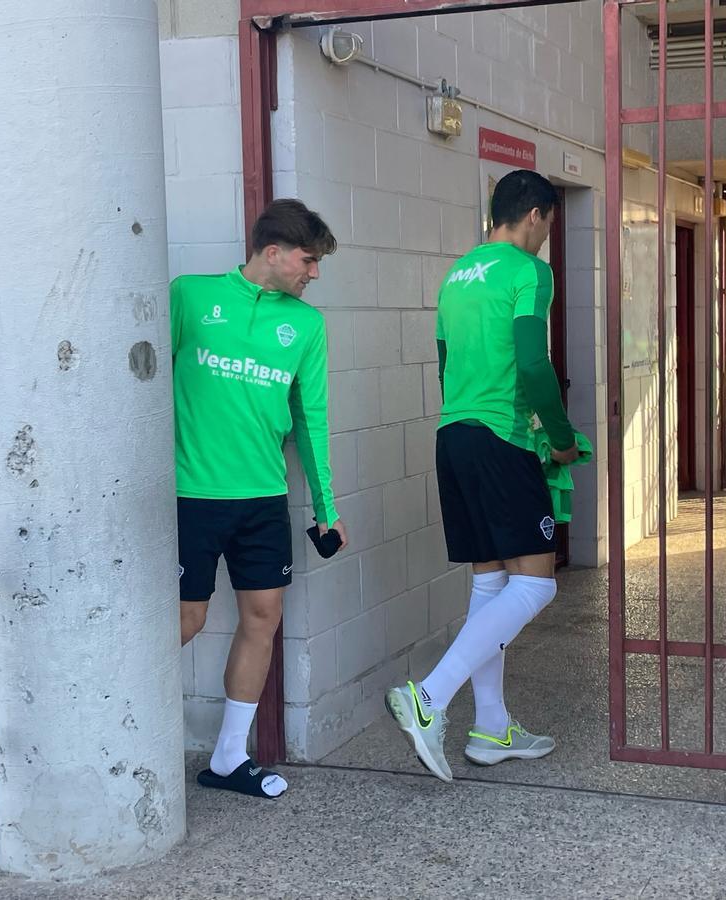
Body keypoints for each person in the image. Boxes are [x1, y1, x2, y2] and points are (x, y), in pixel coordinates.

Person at [384, 170, 578, 783]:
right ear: (538, 215)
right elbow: (532, 363)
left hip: (454, 434)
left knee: (491, 583)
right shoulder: (528, 271)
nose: (547, 236)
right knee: (537, 584)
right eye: (549, 223)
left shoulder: (456, 275)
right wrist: (563, 439)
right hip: (501, 436)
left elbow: (446, 367)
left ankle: (491, 727)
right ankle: (430, 697)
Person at [173, 199, 346, 799]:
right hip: (190, 495)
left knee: (263, 616)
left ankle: (227, 758)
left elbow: (312, 420)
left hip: (265, 498)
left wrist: (328, 508)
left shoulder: (306, 326)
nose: (313, 273)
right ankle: (100, 723)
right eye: (308, 260)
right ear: (271, 252)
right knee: (184, 620)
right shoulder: (189, 297)